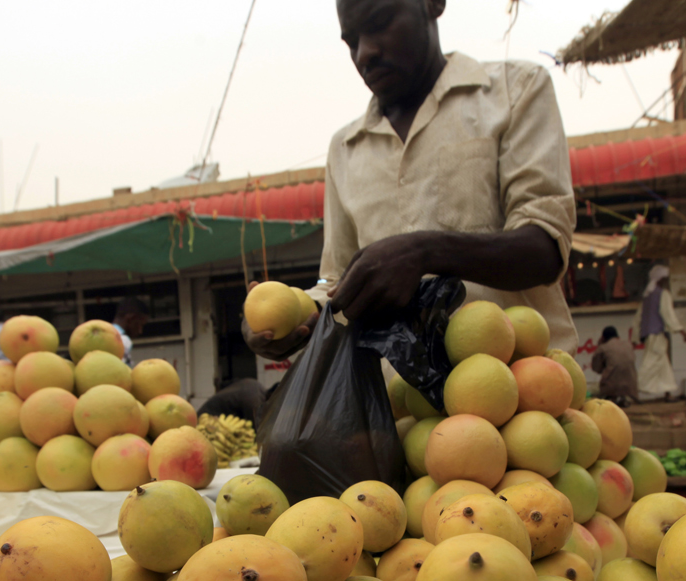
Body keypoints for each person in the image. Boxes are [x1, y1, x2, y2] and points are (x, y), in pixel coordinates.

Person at [244, 0, 577, 363]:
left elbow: (544, 248)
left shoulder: (516, 91)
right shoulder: (345, 148)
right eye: (351, 41)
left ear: (433, 4)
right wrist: (296, 311)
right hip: (401, 408)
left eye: (381, 23)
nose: (365, 53)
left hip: (525, 394)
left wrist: (424, 253)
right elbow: (336, 281)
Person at [632, 265, 686, 401]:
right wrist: (682, 331)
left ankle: (668, 393)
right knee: (650, 364)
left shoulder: (647, 296)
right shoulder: (662, 294)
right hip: (656, 335)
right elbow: (668, 315)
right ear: (661, 279)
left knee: (663, 365)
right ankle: (634, 391)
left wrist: (635, 337)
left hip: (650, 336)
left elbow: (638, 319)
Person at [590, 326, 639, 405]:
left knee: (591, 391)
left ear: (603, 338)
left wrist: (599, 345)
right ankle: (623, 399)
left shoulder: (603, 347)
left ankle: (615, 398)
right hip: (631, 389)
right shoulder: (628, 345)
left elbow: (596, 368)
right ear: (618, 336)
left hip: (611, 389)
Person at [199, 378, 269, 426]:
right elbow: (255, 425)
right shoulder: (254, 400)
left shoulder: (257, 385)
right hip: (208, 420)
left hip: (215, 414)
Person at [113, 298, 150, 366]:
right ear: (131, 319)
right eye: (140, 325)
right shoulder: (122, 340)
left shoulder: (103, 334)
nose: (140, 331)